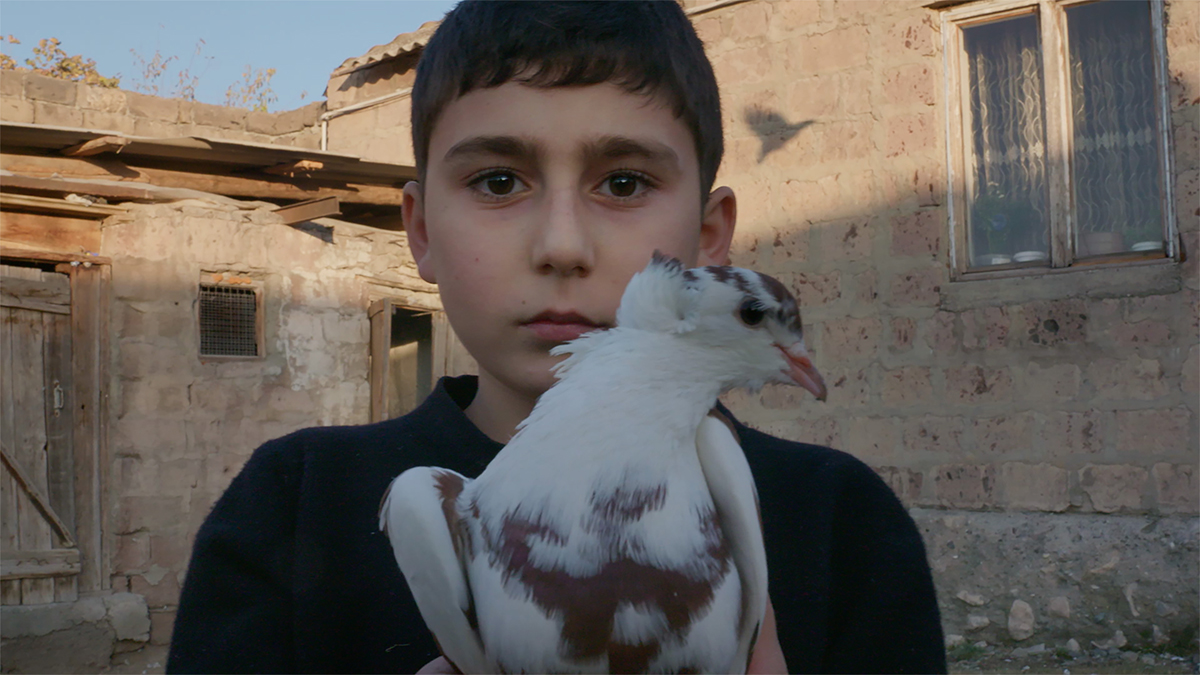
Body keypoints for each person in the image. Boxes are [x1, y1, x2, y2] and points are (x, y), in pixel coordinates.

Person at [167, 2, 946, 673]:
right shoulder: (289, 507)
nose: (562, 245)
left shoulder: (844, 526)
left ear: (707, 241)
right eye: (499, 181)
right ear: (421, 229)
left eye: (624, 182)